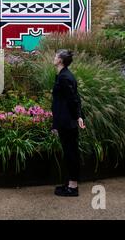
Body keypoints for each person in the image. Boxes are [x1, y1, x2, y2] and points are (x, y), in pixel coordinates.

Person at [51, 49, 85, 197]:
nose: (54, 58)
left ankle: (73, 187)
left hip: (67, 122)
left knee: (71, 152)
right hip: (66, 120)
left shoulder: (65, 77)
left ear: (60, 61)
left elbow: (73, 99)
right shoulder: (62, 76)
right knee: (69, 151)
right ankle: (71, 183)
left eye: (56, 56)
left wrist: (78, 116)